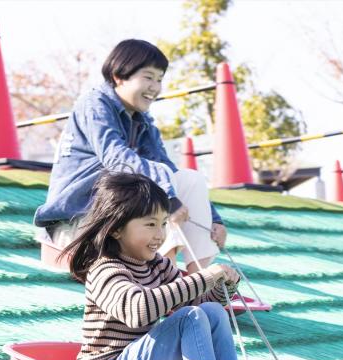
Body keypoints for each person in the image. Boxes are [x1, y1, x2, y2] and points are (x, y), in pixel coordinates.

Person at [61, 170, 265, 360]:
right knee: (190, 317)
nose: (160, 235)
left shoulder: (158, 265)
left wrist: (222, 287)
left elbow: (196, 300)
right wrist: (203, 277)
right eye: (150, 225)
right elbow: (138, 311)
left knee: (212, 311)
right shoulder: (105, 270)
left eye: (163, 224)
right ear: (116, 228)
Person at [35, 39, 226, 274]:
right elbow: (116, 157)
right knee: (153, 185)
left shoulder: (142, 122)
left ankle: (198, 278)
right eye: (148, 77)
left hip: (118, 214)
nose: (155, 87)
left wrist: (213, 220)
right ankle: (164, 277)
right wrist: (167, 197)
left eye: (159, 79)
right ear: (119, 76)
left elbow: (168, 169)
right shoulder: (94, 104)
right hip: (79, 221)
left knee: (188, 179)